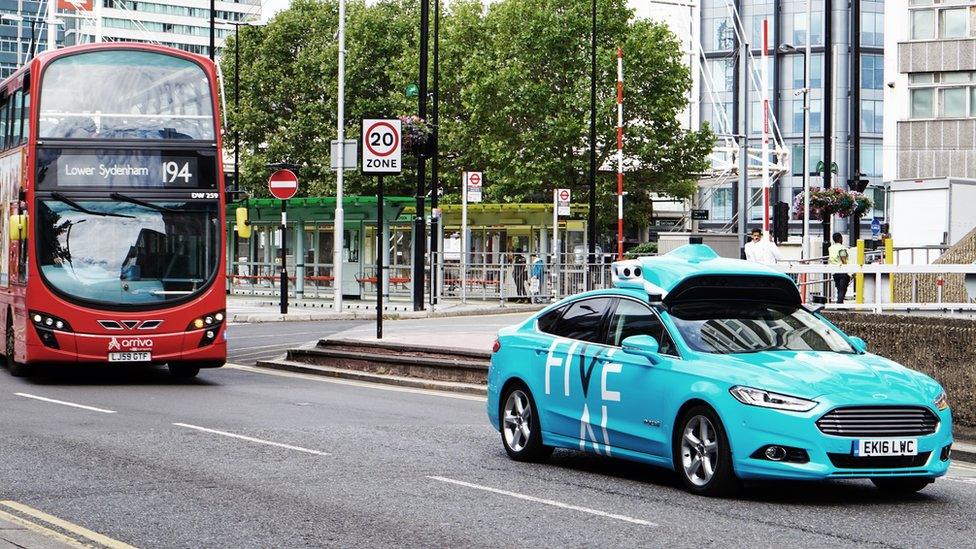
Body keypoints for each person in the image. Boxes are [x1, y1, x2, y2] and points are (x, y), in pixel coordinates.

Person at [828, 232, 851, 304]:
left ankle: (840, 304)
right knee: (843, 289)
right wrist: (849, 271)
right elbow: (843, 258)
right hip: (842, 271)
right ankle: (839, 304)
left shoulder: (831, 248)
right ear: (840, 238)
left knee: (839, 288)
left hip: (834, 271)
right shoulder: (842, 248)